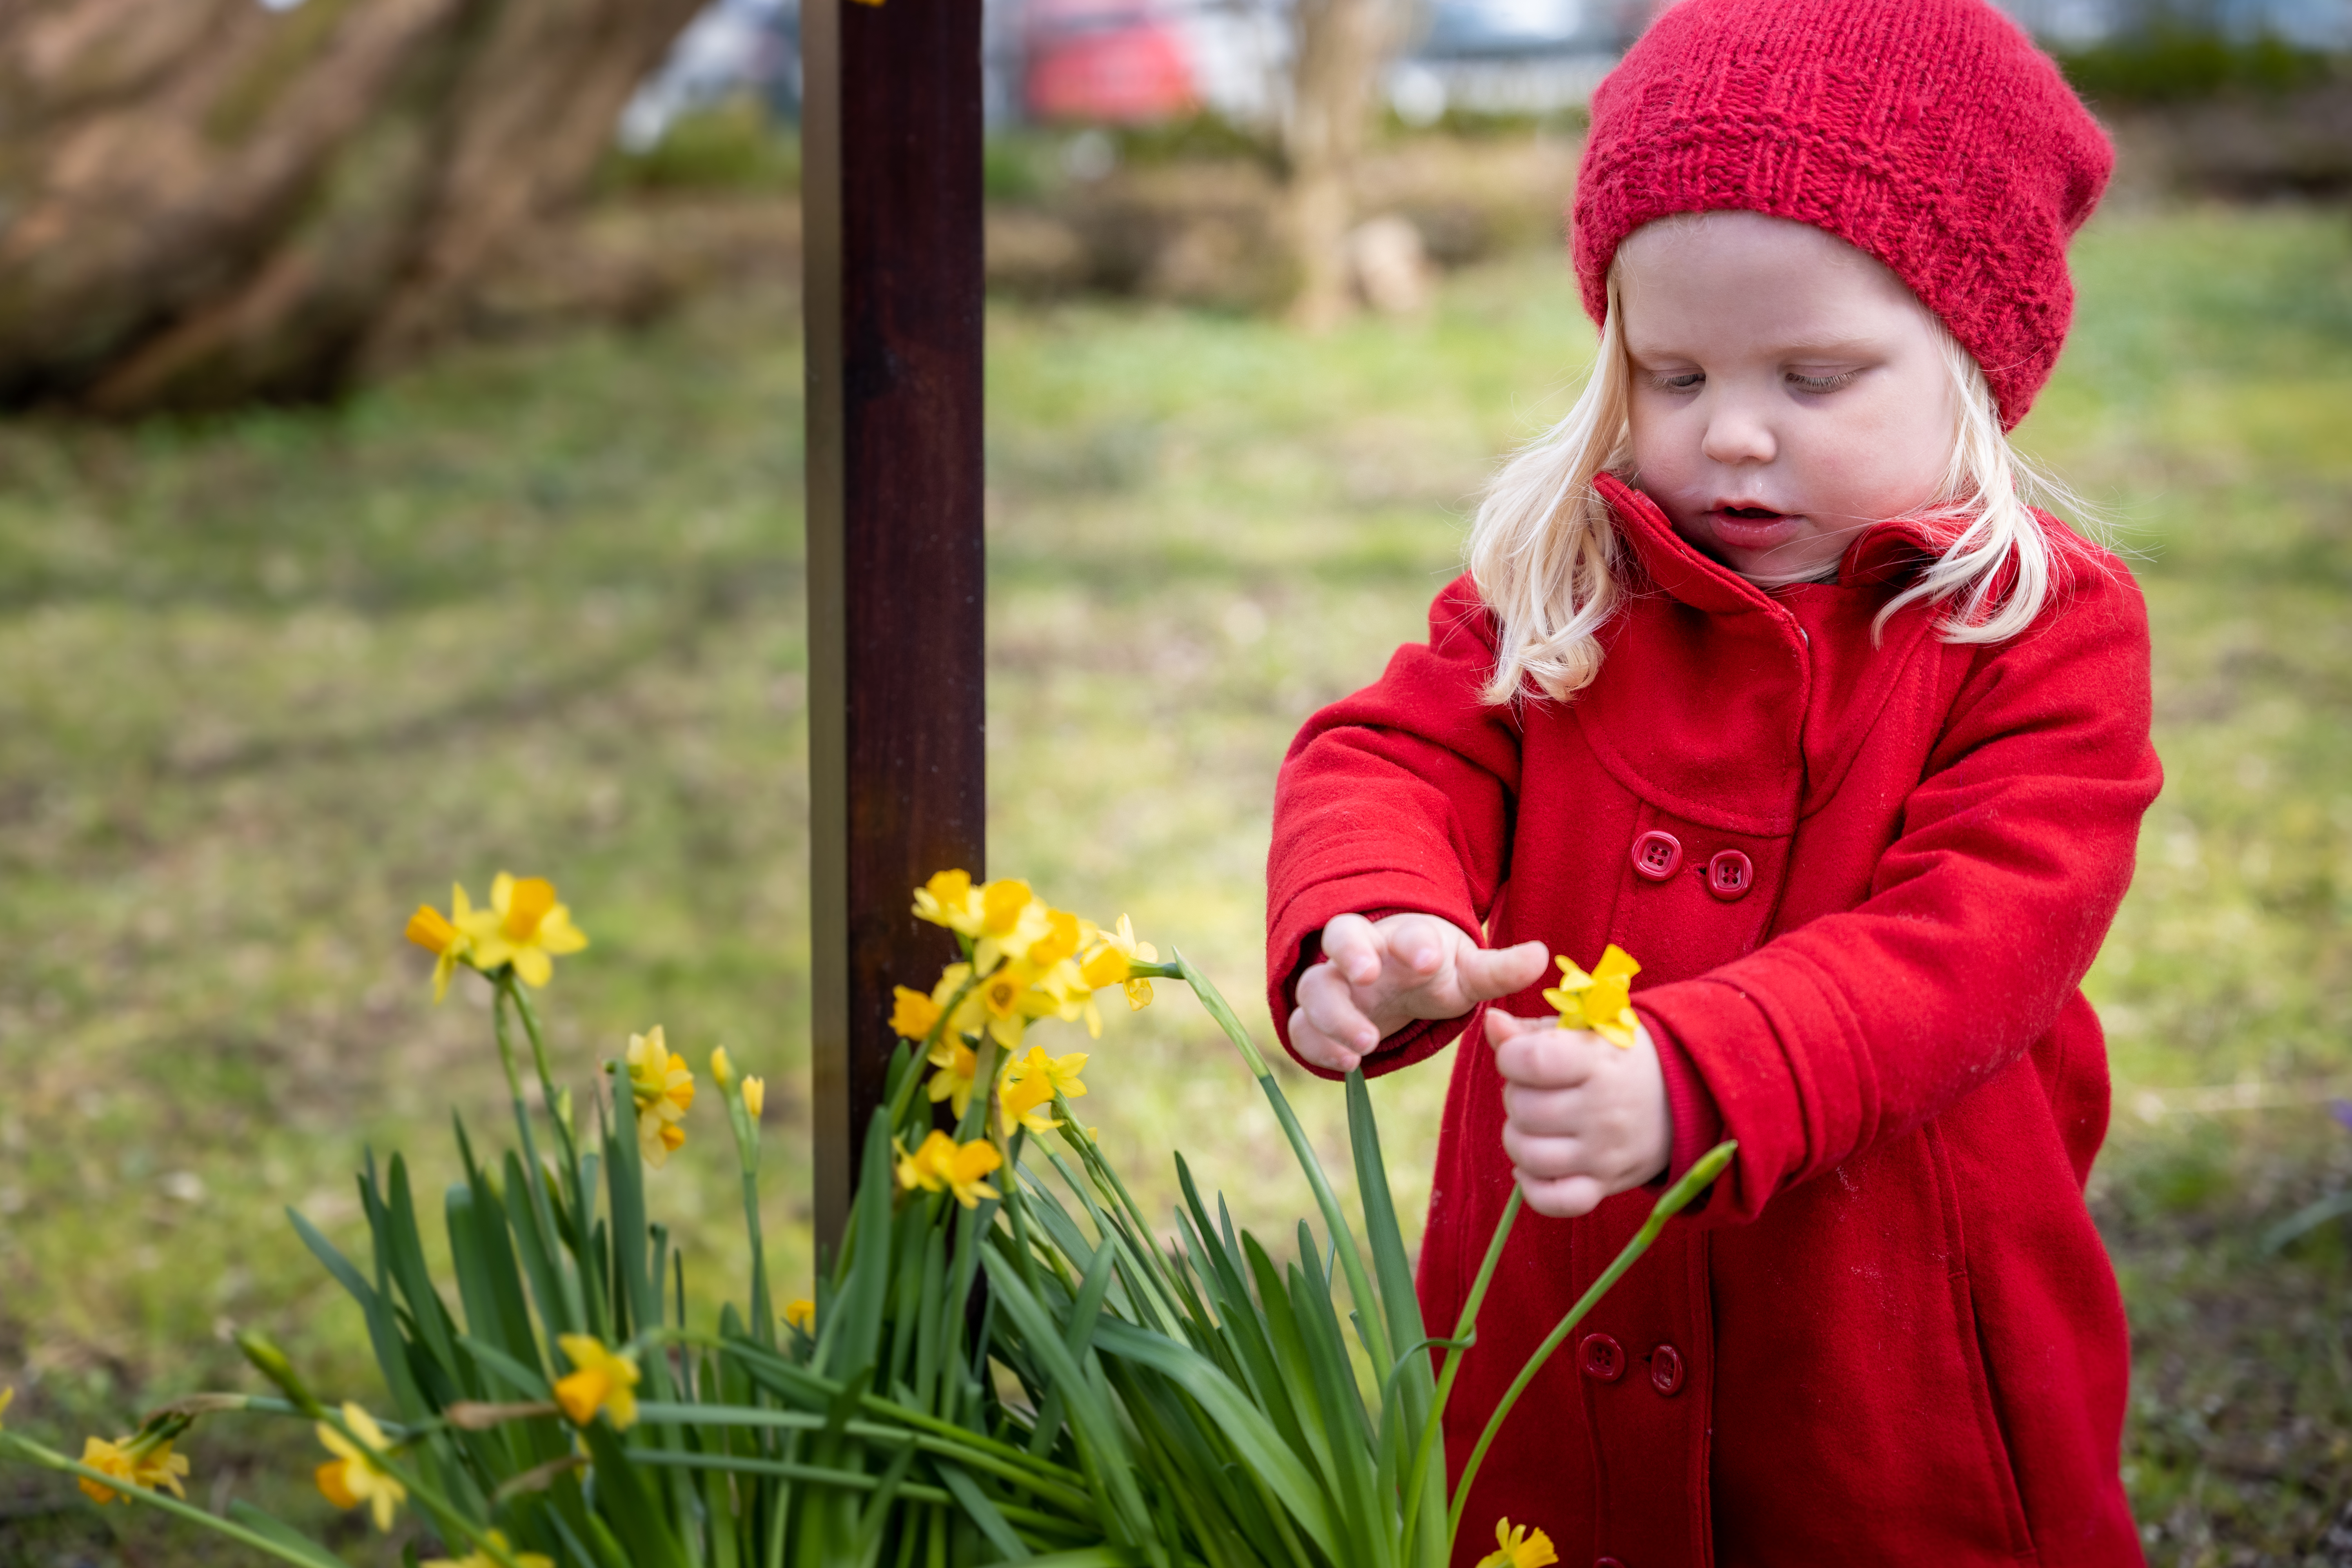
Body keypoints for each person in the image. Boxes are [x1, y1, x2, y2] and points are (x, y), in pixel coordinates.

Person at [1263, 1, 2161, 1563]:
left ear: (1975, 361)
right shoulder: (1573, 590)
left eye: (1815, 377)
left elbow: (1974, 943)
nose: (1731, 435)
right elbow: (1392, 752)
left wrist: (1700, 1077)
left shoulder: (2036, 637)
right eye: (1671, 374)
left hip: (1890, 1374)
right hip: (1561, 1324)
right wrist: (1374, 921)